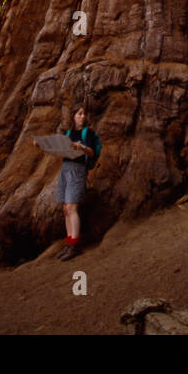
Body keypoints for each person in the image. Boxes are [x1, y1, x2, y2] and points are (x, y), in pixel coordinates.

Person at [57, 104, 101, 260]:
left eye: (84, 114)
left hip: (78, 169)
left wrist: (81, 146)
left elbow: (91, 152)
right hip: (65, 168)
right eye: (79, 114)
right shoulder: (68, 133)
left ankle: (75, 245)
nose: (82, 116)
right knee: (65, 208)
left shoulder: (87, 132)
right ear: (73, 116)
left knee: (72, 207)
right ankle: (69, 242)